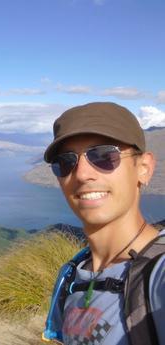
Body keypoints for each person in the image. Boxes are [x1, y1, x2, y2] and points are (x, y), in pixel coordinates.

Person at [42, 102, 165, 344]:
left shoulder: (157, 275)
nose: (81, 173)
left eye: (104, 156)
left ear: (144, 168)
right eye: (66, 162)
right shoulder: (69, 278)